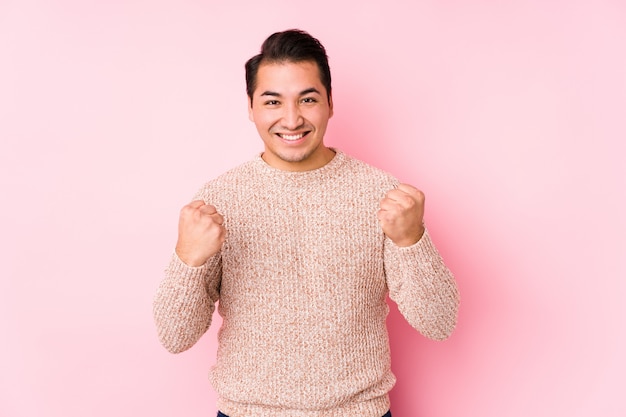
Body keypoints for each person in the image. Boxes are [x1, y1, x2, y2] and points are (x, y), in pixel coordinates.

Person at [153, 29, 460, 417]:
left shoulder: (382, 195)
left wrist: (412, 241)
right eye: (272, 101)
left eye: (308, 99)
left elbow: (440, 322)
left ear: (330, 103)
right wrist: (188, 259)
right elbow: (174, 336)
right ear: (250, 107)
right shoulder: (220, 199)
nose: (292, 118)